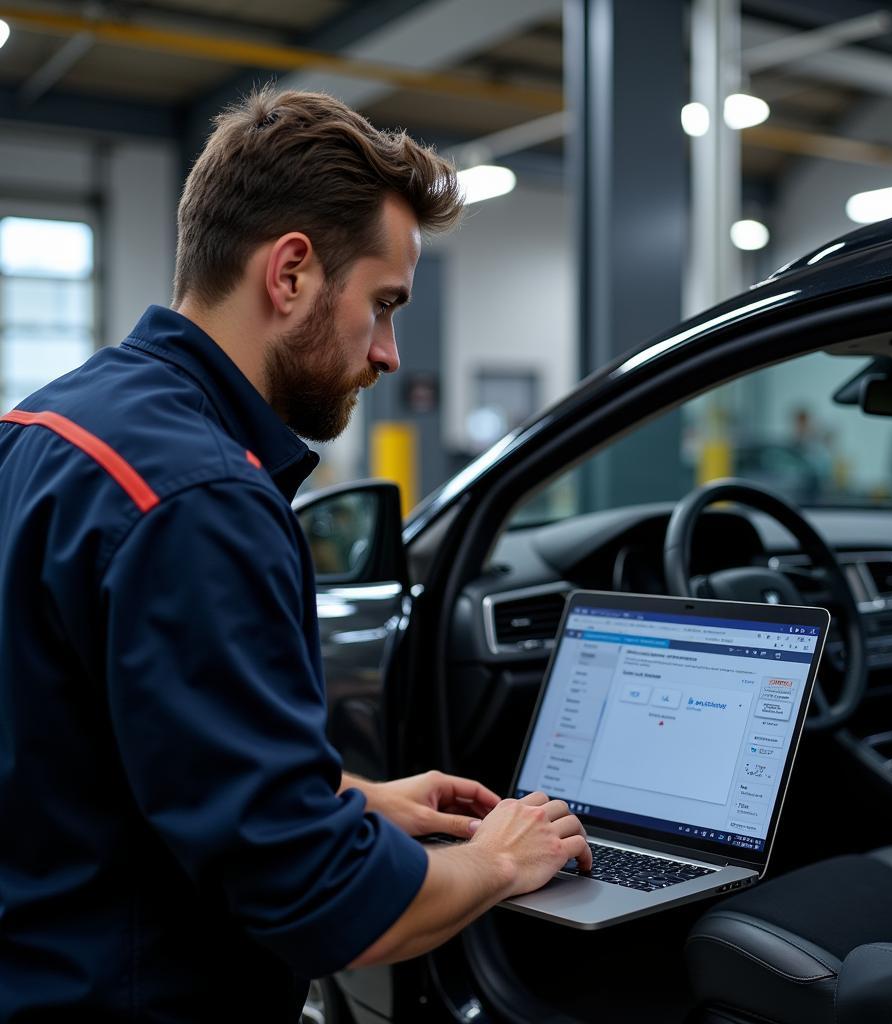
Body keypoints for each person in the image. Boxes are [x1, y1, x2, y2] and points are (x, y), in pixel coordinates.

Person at [0, 88, 590, 1021]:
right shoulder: (203, 501)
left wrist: (349, 799)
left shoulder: (50, 423)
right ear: (290, 275)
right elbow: (324, 906)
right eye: (384, 306)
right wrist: (497, 858)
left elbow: (103, 744)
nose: (390, 354)